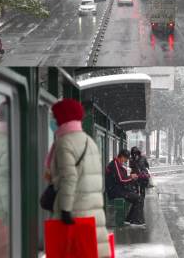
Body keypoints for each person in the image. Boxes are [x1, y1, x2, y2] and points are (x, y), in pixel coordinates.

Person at [48, 98, 110, 257]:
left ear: (62, 118)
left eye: (54, 117)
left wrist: (65, 210)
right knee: (90, 251)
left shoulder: (64, 143)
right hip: (93, 214)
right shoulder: (89, 141)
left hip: (76, 213)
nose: (52, 120)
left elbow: (69, 178)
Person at [105, 149, 145, 226]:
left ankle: (130, 219)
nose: (126, 161)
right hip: (115, 191)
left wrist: (131, 178)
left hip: (118, 189)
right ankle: (135, 221)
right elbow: (121, 179)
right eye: (126, 159)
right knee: (138, 199)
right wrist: (131, 177)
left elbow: (122, 178)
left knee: (138, 197)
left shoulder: (117, 164)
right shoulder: (115, 164)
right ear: (122, 157)